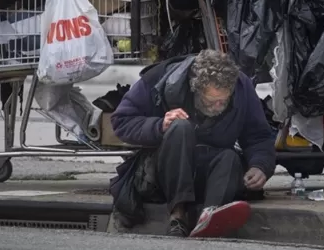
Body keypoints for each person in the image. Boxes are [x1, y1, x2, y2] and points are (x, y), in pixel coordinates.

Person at [110, 50, 276, 238]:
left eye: (224, 101)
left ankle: (210, 216)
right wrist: (159, 125)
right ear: (196, 89)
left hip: (211, 168)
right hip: (166, 171)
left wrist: (260, 165)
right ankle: (178, 216)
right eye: (212, 101)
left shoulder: (242, 86)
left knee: (230, 157)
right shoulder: (158, 79)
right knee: (180, 127)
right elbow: (121, 122)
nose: (218, 107)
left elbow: (259, 135)